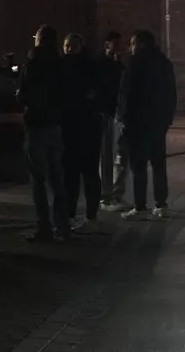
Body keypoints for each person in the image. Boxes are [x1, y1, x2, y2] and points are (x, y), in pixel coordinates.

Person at [17, 25, 69, 242]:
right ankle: (63, 226)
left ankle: (44, 227)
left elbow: (24, 94)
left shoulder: (33, 62)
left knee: (38, 179)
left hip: (36, 124)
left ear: (39, 39)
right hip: (55, 124)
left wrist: (21, 96)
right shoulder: (60, 64)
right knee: (57, 178)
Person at [119, 29, 177, 220]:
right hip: (157, 123)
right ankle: (161, 204)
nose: (131, 47)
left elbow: (127, 96)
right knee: (158, 164)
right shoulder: (163, 63)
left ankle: (140, 205)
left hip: (137, 124)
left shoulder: (134, 65)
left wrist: (124, 119)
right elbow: (171, 95)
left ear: (142, 44)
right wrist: (167, 119)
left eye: (133, 43)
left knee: (139, 166)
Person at [60, 33, 104, 232]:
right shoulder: (91, 65)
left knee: (77, 174)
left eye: (71, 46)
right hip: (85, 127)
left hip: (78, 126)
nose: (69, 49)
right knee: (84, 174)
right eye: (67, 46)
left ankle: (78, 215)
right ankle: (87, 216)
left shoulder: (71, 67)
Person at [97, 32, 128, 211]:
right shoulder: (101, 64)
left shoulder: (119, 65)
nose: (118, 48)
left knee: (120, 156)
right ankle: (106, 195)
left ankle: (115, 194)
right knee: (107, 156)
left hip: (117, 114)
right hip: (107, 114)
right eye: (114, 44)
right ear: (107, 45)